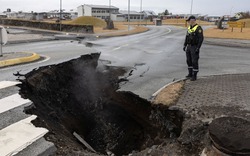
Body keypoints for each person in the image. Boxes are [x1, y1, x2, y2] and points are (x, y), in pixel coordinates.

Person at [183, 16, 204, 81]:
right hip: (189, 46)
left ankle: (194, 75)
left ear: (193, 20)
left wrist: (198, 48)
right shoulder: (189, 28)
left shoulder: (198, 28)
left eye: (189, 20)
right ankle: (190, 74)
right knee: (188, 60)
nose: (188, 22)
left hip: (194, 46)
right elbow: (187, 37)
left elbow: (201, 39)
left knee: (194, 61)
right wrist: (185, 45)